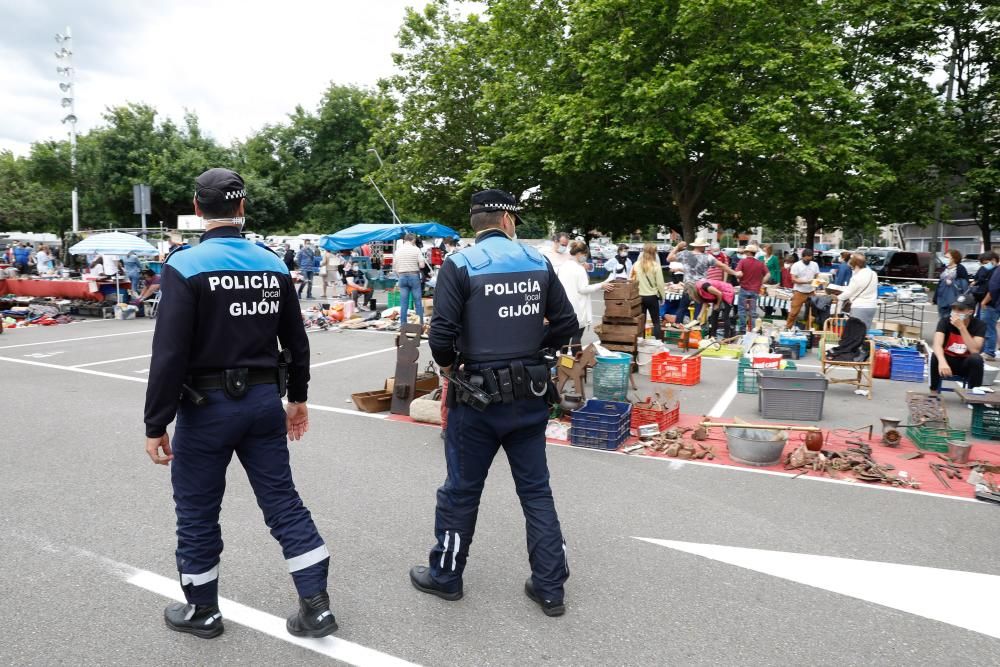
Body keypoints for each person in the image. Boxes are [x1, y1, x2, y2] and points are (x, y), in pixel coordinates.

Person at [143, 168, 335, 640]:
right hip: (263, 404)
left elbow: (169, 353)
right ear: (242, 207)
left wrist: (155, 423)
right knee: (283, 503)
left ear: (196, 208)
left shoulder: (185, 265)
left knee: (197, 511)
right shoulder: (271, 263)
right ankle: (316, 605)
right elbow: (296, 341)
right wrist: (299, 399)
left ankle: (203, 612)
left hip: (206, 408)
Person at [409, 188, 578, 617]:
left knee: (461, 491)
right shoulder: (538, 261)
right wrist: (529, 350)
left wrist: (452, 367)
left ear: (477, 223)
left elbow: (441, 335)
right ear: (508, 220)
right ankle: (550, 586)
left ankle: (446, 577)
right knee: (536, 491)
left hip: (476, 396)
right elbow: (567, 326)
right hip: (530, 394)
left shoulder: (459, 264)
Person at [557, 240, 614, 348]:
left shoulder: (563, 267)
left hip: (564, 307)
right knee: (576, 337)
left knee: (565, 339)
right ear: (579, 254)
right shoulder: (579, 269)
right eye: (585, 255)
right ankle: (576, 360)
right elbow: (583, 289)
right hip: (578, 308)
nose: (585, 257)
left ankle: (563, 361)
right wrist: (601, 285)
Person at [930, 295, 985, 392]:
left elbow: (975, 350)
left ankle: (975, 394)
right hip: (948, 362)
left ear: (970, 312)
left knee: (977, 359)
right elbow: (937, 344)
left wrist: (962, 328)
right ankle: (933, 391)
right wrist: (942, 362)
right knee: (936, 356)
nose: (956, 312)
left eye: (960, 309)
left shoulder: (979, 325)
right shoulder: (945, 321)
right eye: (954, 308)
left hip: (965, 363)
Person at [832, 253, 878, 329]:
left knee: (856, 331)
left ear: (855, 265)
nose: (851, 268)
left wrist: (837, 297)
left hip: (859, 307)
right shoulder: (873, 274)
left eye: (852, 266)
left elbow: (848, 293)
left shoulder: (856, 277)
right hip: (872, 306)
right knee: (865, 330)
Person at [632, 243, 666, 340]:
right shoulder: (656, 266)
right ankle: (658, 342)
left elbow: (633, 280)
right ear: (654, 253)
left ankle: (640, 341)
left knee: (641, 321)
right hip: (652, 296)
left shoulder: (636, 265)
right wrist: (663, 296)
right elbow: (660, 284)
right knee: (656, 321)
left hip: (639, 296)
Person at [395, 233, 427, 326]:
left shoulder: (398, 251)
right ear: (413, 240)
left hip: (402, 276)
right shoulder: (416, 249)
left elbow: (395, 267)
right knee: (417, 301)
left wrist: (400, 275)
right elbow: (422, 265)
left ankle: (403, 325)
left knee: (404, 303)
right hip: (414, 276)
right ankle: (419, 324)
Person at [734, 245, 767, 332]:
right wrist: (761, 282)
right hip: (755, 290)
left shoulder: (742, 262)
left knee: (742, 311)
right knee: (753, 311)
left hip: (744, 289)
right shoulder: (760, 263)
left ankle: (742, 330)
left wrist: (739, 279)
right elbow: (768, 274)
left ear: (748, 252)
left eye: (745, 252)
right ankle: (752, 330)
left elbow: (738, 274)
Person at [971, 252, 997, 360]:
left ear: (994, 260)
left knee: (988, 328)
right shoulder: (988, 271)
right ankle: (984, 350)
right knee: (983, 327)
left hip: (990, 303)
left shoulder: (996, 272)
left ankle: (989, 352)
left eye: (986, 263)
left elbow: (993, 289)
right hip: (985, 302)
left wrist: (984, 301)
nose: (985, 266)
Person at [785, 249, 820, 329]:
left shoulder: (814, 264)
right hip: (799, 291)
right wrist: (806, 282)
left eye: (810, 258)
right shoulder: (796, 265)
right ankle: (788, 328)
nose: (808, 260)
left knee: (812, 313)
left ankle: (808, 330)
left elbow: (817, 276)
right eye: (806, 259)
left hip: (811, 291)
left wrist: (816, 284)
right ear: (803, 257)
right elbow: (793, 279)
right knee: (794, 312)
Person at [934, 248, 970, 321]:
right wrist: (935, 297)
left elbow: (965, 285)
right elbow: (940, 283)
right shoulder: (945, 268)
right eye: (945, 257)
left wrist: (953, 282)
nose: (945, 259)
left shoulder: (960, 268)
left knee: (951, 320)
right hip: (942, 298)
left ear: (954, 258)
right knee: (942, 319)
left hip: (954, 299)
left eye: (947, 257)